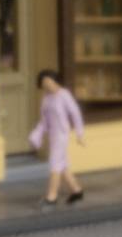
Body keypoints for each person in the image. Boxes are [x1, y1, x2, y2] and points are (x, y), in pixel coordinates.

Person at [30, 68, 86, 206]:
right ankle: (76, 190)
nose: (47, 86)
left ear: (55, 81)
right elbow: (44, 120)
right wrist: (37, 135)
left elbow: (75, 113)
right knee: (63, 165)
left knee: (55, 163)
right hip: (53, 135)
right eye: (44, 84)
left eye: (48, 82)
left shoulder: (64, 95)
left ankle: (52, 196)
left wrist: (79, 133)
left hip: (62, 134)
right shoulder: (46, 98)